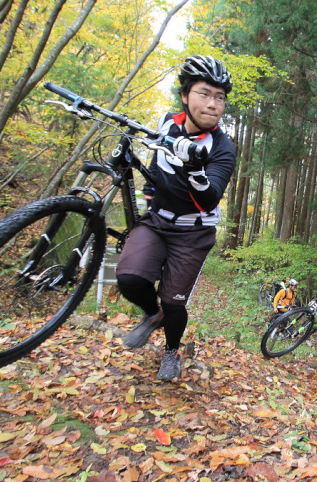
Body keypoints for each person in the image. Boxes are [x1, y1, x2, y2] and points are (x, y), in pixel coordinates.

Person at [116, 55, 236, 381]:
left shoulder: (222, 148)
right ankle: (151, 314)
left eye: (220, 97)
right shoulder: (167, 122)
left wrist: (195, 166)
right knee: (128, 279)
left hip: (193, 232)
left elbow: (208, 198)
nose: (213, 104)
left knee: (174, 301)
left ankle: (172, 349)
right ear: (185, 95)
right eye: (204, 93)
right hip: (157, 220)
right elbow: (156, 166)